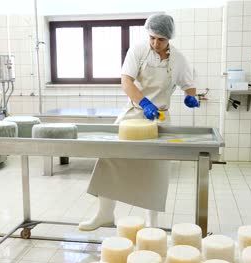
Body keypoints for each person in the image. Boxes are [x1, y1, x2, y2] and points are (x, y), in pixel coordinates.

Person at [78, 14, 200, 231]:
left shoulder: (179, 59)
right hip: (134, 114)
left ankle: (152, 224)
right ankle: (104, 215)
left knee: (157, 170)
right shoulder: (138, 51)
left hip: (159, 119)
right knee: (110, 158)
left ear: (169, 38)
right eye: (152, 37)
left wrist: (191, 96)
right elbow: (126, 81)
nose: (155, 43)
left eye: (160, 39)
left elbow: (188, 84)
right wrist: (144, 102)